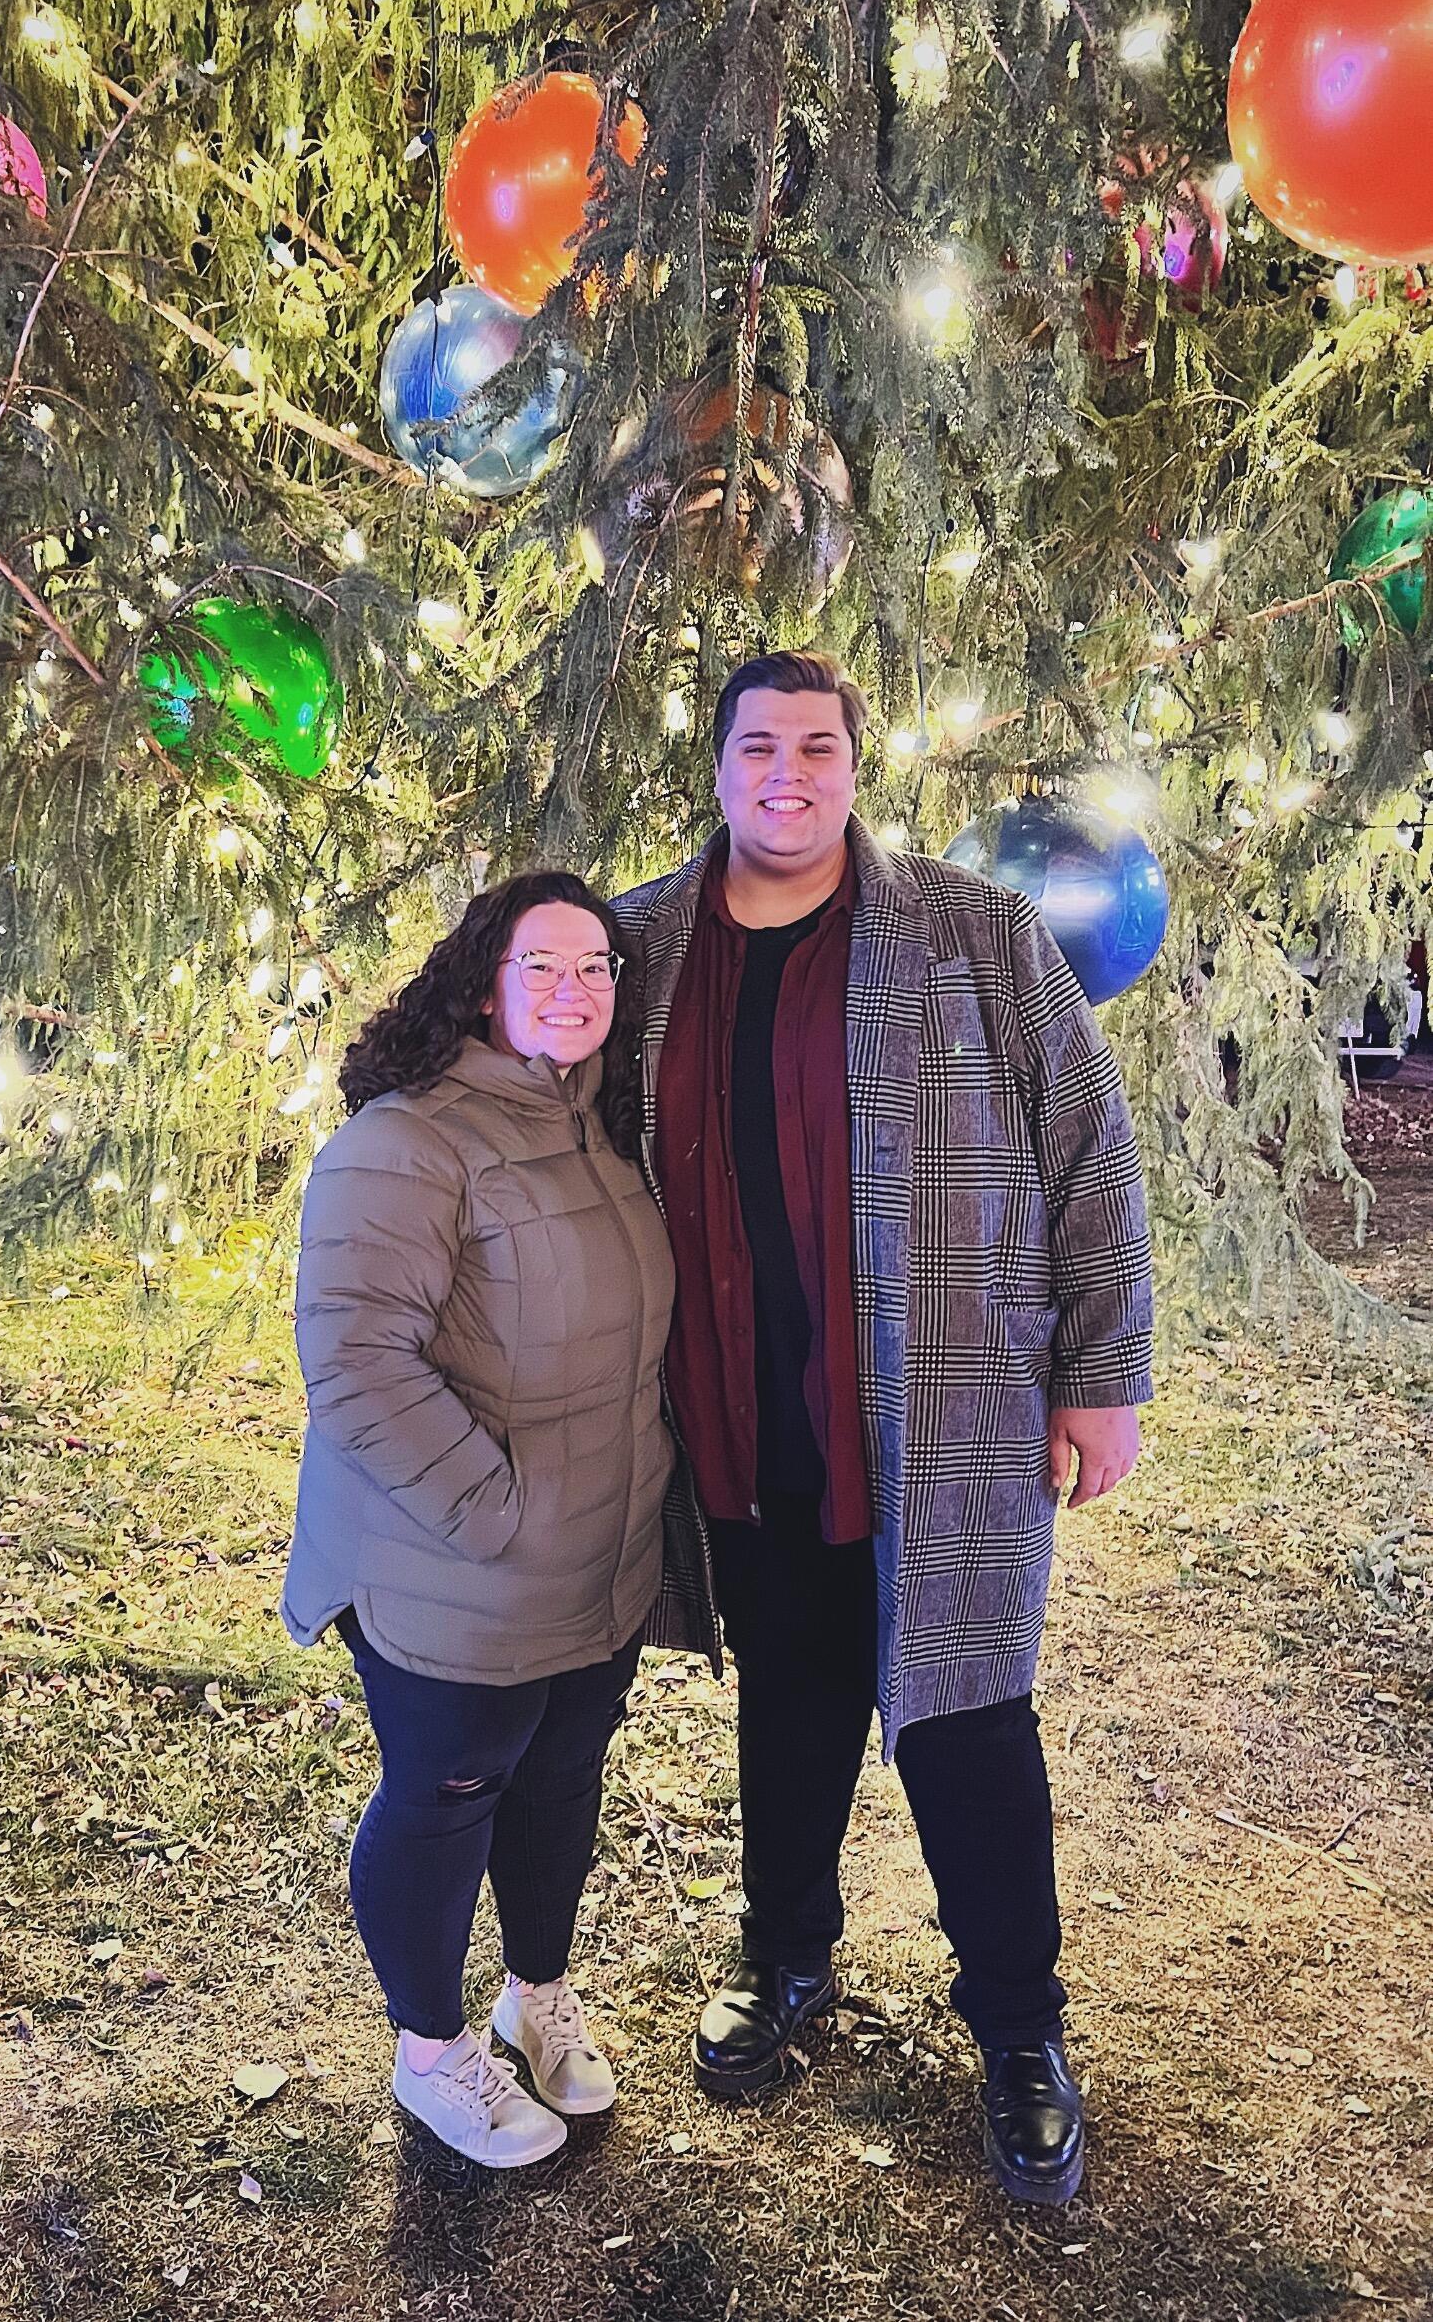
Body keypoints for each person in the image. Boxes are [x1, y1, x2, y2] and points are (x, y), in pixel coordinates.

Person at [616, 650, 1154, 2207]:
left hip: (950, 1409)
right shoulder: (645, 945)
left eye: (819, 746)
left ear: (859, 766)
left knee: (968, 1718)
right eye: (758, 746)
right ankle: (786, 1960)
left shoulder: (971, 932)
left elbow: (1089, 1148)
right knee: (788, 1697)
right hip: (739, 1407)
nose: (789, 773)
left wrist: (1102, 1372)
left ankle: (1021, 2028)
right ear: (715, 767)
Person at [282, 871, 676, 2168]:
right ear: (483, 981)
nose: (575, 992)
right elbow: (355, 1365)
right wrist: (495, 1515)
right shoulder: (406, 1142)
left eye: (596, 969)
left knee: (560, 1778)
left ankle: (535, 1998)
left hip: (594, 1557)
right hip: (450, 1561)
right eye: (543, 966)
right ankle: (430, 2051)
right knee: (450, 1790)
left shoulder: (597, 1132)